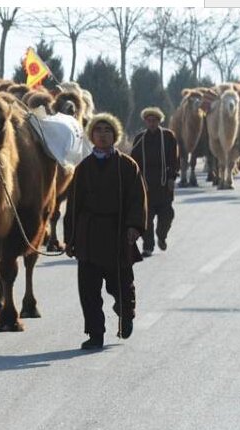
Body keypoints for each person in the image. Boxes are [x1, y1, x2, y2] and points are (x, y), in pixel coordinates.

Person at [64, 113, 148, 350]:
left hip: (117, 234)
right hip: (88, 236)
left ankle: (126, 314)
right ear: (91, 136)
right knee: (88, 291)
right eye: (98, 130)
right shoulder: (83, 169)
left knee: (121, 285)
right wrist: (70, 239)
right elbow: (73, 206)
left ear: (115, 135)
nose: (102, 134)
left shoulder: (127, 166)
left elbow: (137, 199)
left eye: (107, 130)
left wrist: (134, 227)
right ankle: (95, 334)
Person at [131, 107, 178, 256]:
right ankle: (148, 246)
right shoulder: (140, 139)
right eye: (149, 121)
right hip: (146, 185)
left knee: (167, 215)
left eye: (154, 121)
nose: (151, 123)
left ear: (159, 121)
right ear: (145, 121)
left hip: (164, 184)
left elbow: (174, 158)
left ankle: (162, 236)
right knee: (147, 218)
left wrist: (172, 177)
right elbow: (133, 161)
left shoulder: (168, 136)